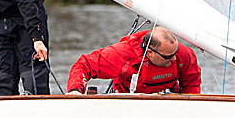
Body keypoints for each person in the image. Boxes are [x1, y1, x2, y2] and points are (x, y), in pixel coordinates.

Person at [67, 26, 201, 95]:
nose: (174, 58)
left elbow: (192, 83)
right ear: (149, 53)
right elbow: (84, 65)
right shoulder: (123, 54)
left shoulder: (183, 54)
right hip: (128, 105)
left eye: (175, 53)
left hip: (167, 100)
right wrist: (75, 90)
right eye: (167, 57)